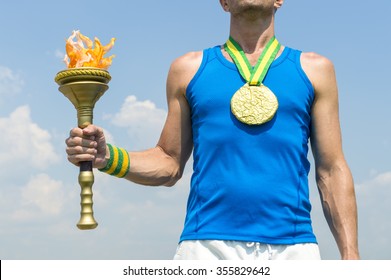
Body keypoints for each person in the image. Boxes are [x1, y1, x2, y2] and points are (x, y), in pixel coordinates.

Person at [65, 0, 359, 260]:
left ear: (280, 0)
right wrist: (106, 157)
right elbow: (168, 163)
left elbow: (331, 170)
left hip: (293, 249)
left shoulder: (316, 70)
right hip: (205, 247)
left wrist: (351, 257)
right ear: (224, 3)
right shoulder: (188, 69)